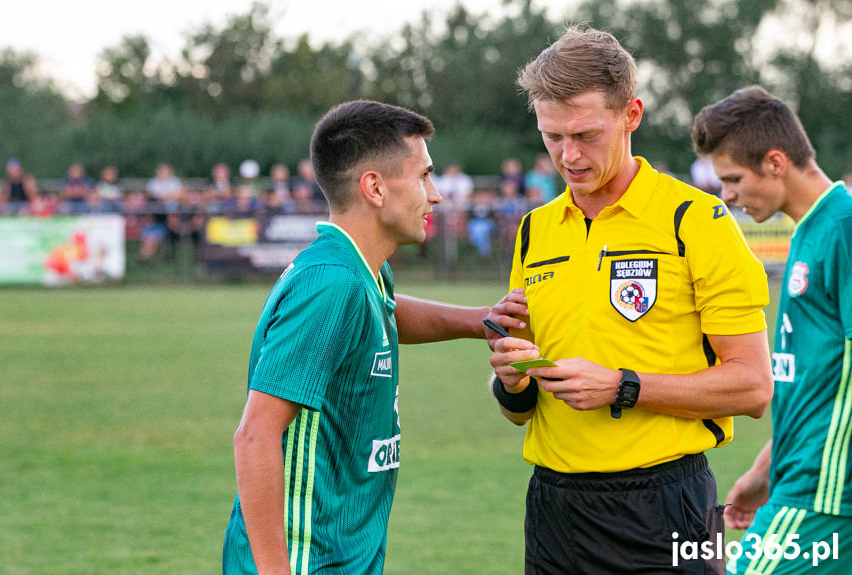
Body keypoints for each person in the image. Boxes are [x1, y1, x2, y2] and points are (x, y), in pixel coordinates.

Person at [488, 26, 774, 573]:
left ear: (632, 115)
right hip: (553, 511)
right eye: (552, 137)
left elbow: (754, 387)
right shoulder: (534, 231)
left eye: (586, 135)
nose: (568, 156)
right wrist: (510, 378)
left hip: (666, 505)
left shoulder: (695, 221)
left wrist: (622, 385)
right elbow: (519, 410)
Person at [221, 99, 527, 575]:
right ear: (375, 188)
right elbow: (255, 435)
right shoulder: (331, 284)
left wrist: (480, 320)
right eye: (423, 176)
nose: (437, 194)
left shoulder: (361, 272)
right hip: (308, 563)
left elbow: (384, 315)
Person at [692, 85, 852, 574]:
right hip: (801, 483)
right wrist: (765, 470)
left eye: (735, 178)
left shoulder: (843, 229)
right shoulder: (810, 232)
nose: (728, 195)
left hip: (821, 496)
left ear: (776, 162)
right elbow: (818, 384)